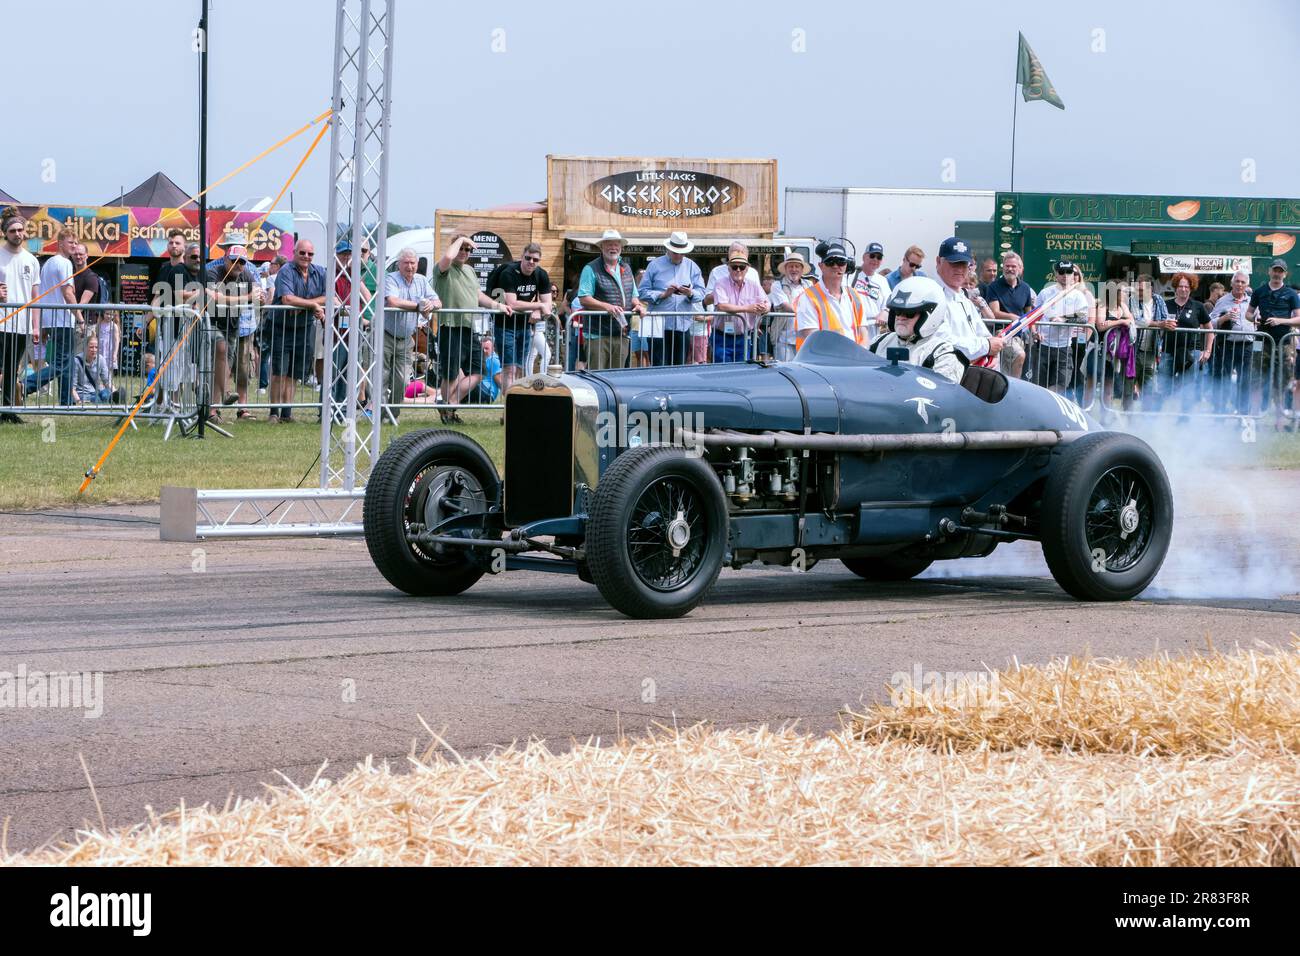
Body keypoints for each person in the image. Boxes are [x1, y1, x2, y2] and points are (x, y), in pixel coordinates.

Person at [434, 234, 499, 404]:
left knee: (478, 371)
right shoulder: (443, 268)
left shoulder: (470, 271)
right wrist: (461, 240)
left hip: (470, 327)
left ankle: (450, 404)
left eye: (467, 249)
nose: (463, 252)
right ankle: (448, 412)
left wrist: (499, 306)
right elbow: (448, 256)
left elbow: (478, 295)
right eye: (461, 248)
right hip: (450, 326)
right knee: (451, 374)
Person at [205, 237, 264, 422]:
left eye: (242, 262)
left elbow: (259, 298)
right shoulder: (213, 271)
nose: (238, 265)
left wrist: (260, 298)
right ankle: (224, 395)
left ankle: (212, 412)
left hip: (233, 327)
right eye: (234, 261)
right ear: (225, 258)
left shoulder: (247, 274)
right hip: (210, 324)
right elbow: (216, 298)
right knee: (220, 352)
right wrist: (247, 297)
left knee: (224, 367)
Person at [867, 277, 966, 385]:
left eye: (910, 313)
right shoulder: (877, 343)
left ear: (930, 316)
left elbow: (940, 396)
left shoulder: (942, 354)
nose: (901, 317)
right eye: (897, 311)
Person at [270, 239, 327, 423]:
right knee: (279, 372)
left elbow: (329, 296)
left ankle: (287, 414)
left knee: (294, 373)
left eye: (310, 254)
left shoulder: (320, 272)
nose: (306, 257)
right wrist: (312, 304)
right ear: (294, 252)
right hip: (281, 327)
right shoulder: (286, 270)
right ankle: (273, 413)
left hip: (304, 328)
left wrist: (305, 304)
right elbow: (287, 299)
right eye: (302, 253)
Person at [384, 247, 442, 417]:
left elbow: (438, 300)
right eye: (406, 263)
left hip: (406, 338)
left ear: (417, 264)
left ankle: (392, 413)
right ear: (398, 265)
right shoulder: (391, 279)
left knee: (402, 380)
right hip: (385, 335)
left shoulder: (422, 281)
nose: (409, 266)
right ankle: (381, 414)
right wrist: (418, 307)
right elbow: (393, 301)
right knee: (382, 376)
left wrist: (432, 305)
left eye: (412, 263)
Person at [577, 229, 646, 370]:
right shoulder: (590, 269)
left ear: (621, 247)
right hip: (598, 335)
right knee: (598, 376)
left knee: (617, 378)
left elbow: (633, 295)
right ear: (602, 247)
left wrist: (638, 305)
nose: (613, 248)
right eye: (609, 244)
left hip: (622, 333)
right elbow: (584, 298)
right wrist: (606, 306)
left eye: (616, 244)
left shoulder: (626, 268)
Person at [932, 237, 1001, 367]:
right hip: (944, 374)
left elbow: (983, 334)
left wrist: (993, 352)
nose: (959, 269)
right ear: (938, 261)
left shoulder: (964, 298)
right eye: (954, 263)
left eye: (964, 264)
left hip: (971, 373)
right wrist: (987, 346)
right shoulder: (932, 296)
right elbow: (944, 343)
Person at [638, 231, 704, 367]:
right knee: (658, 366)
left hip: (682, 325)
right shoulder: (654, 265)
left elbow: (701, 292)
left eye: (682, 252)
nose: (679, 255)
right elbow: (642, 292)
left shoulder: (692, 266)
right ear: (668, 249)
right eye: (675, 252)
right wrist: (663, 294)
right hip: (658, 325)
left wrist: (690, 293)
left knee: (679, 367)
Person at [1247, 259, 1300, 425]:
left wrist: (1280, 321)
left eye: (1280, 271)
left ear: (1285, 274)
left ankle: (1279, 419)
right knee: (1256, 378)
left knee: (1282, 381)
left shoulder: (1291, 294)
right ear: (1269, 271)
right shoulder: (1259, 291)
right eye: (1275, 270)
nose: (1277, 274)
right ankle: (1254, 418)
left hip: (1283, 343)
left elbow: (1299, 319)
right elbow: (1248, 314)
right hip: (1260, 340)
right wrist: (1254, 317)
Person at [495, 242, 554, 388]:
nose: (531, 262)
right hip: (504, 325)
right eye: (528, 258)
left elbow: (548, 305)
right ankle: (508, 407)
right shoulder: (508, 272)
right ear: (522, 257)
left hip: (525, 326)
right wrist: (538, 305)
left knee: (520, 369)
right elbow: (512, 304)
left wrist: (538, 309)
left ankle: (514, 404)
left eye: (535, 260)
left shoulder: (541, 274)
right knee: (510, 369)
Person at [35, 227, 82, 406]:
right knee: (62, 362)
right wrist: (80, 317)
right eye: (70, 242)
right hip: (62, 319)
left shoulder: (48, 263)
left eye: (76, 243)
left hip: (52, 319)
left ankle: (66, 400)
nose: (74, 246)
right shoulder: (64, 263)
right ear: (60, 243)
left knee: (67, 361)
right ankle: (26, 385)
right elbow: (68, 293)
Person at [0, 210, 40, 422]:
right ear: (5, 233)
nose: (17, 233)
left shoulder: (31, 260)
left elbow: (35, 297)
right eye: (13, 230)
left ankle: (7, 411)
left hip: (22, 325)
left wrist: (35, 326)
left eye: (20, 230)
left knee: (12, 370)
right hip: (1, 322)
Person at [794, 242, 871, 348]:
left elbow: (864, 334)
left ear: (847, 265)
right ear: (821, 266)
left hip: (853, 361)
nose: (835, 266)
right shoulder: (807, 298)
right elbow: (813, 339)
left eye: (841, 261)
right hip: (821, 362)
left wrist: (859, 356)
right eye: (830, 262)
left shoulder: (854, 296)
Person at [1031, 260, 1091, 394]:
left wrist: (1063, 319)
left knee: (1060, 386)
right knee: (1039, 387)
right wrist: (1035, 332)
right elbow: (1033, 317)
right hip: (1043, 346)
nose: (1065, 275)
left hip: (1064, 347)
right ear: (1056, 275)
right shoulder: (1045, 293)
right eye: (1062, 272)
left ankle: (1049, 409)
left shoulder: (1078, 295)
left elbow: (1083, 317)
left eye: (1069, 272)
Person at [1161, 272, 1212, 413]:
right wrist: (1162, 324)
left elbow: (1210, 329)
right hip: (1168, 351)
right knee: (1163, 385)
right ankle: (1160, 415)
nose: (1183, 289)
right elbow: (1156, 325)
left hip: (1191, 353)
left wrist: (1207, 350)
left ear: (1191, 288)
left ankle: (1184, 419)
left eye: (1186, 286)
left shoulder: (1198, 306)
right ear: (1175, 287)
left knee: (1187, 387)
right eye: (1180, 286)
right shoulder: (1166, 305)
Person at [1208, 271, 1255, 416]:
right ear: (1232, 283)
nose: (1240, 284)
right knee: (1223, 380)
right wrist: (1224, 318)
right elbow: (1210, 323)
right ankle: (1220, 412)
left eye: (1243, 282)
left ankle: (1243, 414)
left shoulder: (1252, 302)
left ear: (1247, 285)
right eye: (1237, 281)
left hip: (1247, 346)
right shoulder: (1223, 301)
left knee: (1245, 381)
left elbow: (1257, 321)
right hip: (1227, 346)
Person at [711, 249, 768, 363]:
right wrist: (748, 308)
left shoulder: (754, 285)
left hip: (743, 338)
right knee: (721, 372)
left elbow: (767, 302)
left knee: (741, 372)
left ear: (747, 269)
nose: (738, 270)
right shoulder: (720, 283)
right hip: (722, 338)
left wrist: (764, 308)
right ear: (728, 268)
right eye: (734, 267)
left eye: (741, 267)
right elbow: (722, 306)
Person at [983, 251, 1034, 379]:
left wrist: (1034, 330)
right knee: (1019, 355)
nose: (1010, 269)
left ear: (1020, 269)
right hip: (1003, 333)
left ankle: (1007, 391)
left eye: (1013, 266)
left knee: (1007, 369)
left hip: (1021, 335)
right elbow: (994, 313)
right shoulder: (994, 287)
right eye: (1007, 266)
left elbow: (1029, 313)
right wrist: (1012, 317)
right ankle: (1014, 389)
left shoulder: (1026, 288)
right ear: (1003, 267)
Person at [1095, 282, 1137, 411]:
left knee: (1109, 384)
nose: (1126, 294)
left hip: (1119, 351)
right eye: (1123, 292)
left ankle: (1106, 415)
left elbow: (1131, 320)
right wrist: (1120, 321)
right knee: (1095, 383)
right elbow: (1101, 325)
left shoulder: (1123, 306)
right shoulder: (1103, 306)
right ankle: (1092, 413)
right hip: (1102, 350)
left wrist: (1115, 322)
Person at [1128, 273, 1168, 406]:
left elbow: (1165, 318)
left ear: (1150, 289)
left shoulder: (1158, 300)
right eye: (1137, 289)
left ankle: (1146, 418)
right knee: (1128, 386)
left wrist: (1162, 323)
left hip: (1152, 351)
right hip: (1133, 351)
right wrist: (1158, 324)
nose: (1138, 292)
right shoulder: (1131, 300)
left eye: (1141, 290)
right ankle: (1127, 416)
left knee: (1149, 388)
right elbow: (1136, 321)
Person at [767, 250, 812, 361]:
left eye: (797, 266)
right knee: (785, 371)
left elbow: (814, 306)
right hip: (784, 338)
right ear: (785, 269)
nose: (794, 269)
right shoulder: (777, 285)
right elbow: (787, 306)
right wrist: (806, 312)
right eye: (791, 266)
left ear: (802, 270)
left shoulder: (809, 285)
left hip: (804, 338)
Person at [851, 241, 891, 340]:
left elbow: (889, 302)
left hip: (872, 329)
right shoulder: (851, 276)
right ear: (864, 257)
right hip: (852, 327)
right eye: (872, 256)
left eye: (879, 257)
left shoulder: (882, 281)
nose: (875, 260)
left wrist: (885, 312)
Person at [72, 336, 116, 404]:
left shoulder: (101, 359)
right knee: (97, 400)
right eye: (91, 347)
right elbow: (72, 387)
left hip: (97, 391)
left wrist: (115, 393)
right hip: (83, 394)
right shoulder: (76, 361)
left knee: (107, 396)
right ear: (85, 347)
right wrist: (78, 401)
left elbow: (107, 381)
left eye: (96, 347)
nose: (94, 350)